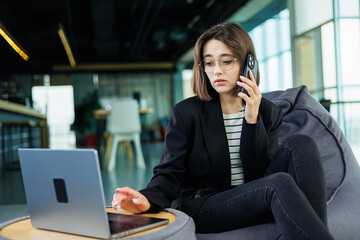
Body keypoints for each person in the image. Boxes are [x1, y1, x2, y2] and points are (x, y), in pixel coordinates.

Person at [112, 22, 334, 240]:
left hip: (254, 197)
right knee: (279, 183)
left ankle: (317, 232)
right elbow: (169, 173)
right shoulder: (186, 113)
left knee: (302, 144)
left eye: (226, 61)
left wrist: (251, 118)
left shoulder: (267, 112)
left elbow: (260, 172)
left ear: (249, 64)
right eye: (209, 63)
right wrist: (146, 199)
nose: (216, 70)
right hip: (207, 205)